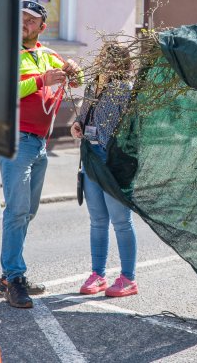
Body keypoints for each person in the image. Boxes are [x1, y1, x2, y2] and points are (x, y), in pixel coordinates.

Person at [0, 0, 81, 309]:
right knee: (17, 211)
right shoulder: (6, 52)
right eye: (19, 18)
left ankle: (9, 276)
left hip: (39, 143)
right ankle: (14, 277)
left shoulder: (50, 55)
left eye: (31, 20)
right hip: (16, 140)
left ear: (41, 27)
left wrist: (74, 69)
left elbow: (78, 81)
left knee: (27, 212)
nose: (24, 23)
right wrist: (39, 81)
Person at [70, 42, 138, 297]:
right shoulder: (93, 85)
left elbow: (133, 131)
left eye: (113, 59)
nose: (107, 63)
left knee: (121, 221)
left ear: (123, 62)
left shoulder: (126, 90)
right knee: (98, 221)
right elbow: (84, 116)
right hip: (91, 158)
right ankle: (98, 275)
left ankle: (128, 279)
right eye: (104, 58)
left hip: (113, 162)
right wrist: (77, 125)